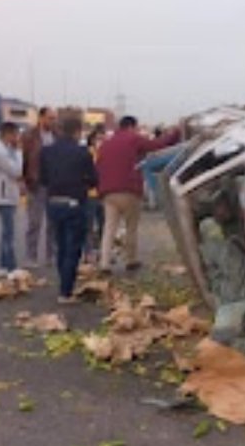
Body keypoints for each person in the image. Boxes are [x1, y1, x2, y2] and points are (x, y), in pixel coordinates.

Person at [96, 115, 180, 274]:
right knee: (131, 227)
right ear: (131, 127)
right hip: (129, 190)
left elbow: (99, 165)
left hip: (108, 192)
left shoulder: (105, 144)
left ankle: (104, 263)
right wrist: (176, 133)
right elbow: (158, 144)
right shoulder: (133, 139)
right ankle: (131, 260)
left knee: (109, 228)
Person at [40, 117, 98, 304]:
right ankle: (66, 292)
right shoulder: (82, 152)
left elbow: (43, 178)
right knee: (73, 248)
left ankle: (63, 285)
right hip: (74, 204)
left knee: (61, 246)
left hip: (54, 202)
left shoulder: (46, 151)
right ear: (77, 131)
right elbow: (93, 180)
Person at [21, 107, 58, 268]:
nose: (53, 121)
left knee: (53, 223)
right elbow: (21, 159)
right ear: (41, 118)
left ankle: (51, 256)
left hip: (55, 185)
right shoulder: (29, 136)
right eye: (50, 118)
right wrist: (22, 181)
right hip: (35, 184)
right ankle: (31, 256)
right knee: (34, 223)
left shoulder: (57, 136)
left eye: (54, 118)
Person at [0, 122, 23, 276]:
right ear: (7, 134)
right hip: (2, 195)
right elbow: (16, 171)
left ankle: (6, 266)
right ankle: (9, 267)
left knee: (8, 232)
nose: (17, 138)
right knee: (8, 233)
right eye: (15, 135)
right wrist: (19, 152)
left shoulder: (3, 148)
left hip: (6, 193)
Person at [83, 125, 106, 262]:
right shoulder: (88, 153)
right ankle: (88, 251)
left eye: (102, 138)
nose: (100, 141)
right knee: (89, 224)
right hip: (90, 193)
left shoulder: (106, 153)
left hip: (104, 193)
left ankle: (101, 250)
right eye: (98, 138)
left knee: (104, 223)